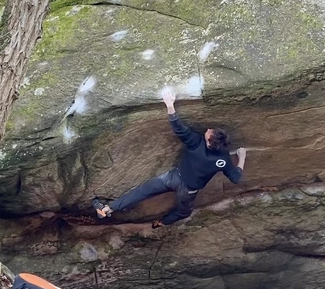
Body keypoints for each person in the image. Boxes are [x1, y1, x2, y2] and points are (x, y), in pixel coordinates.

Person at [92, 90, 247, 227]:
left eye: (210, 132)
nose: (207, 129)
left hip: (173, 177)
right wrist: (242, 158)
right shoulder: (223, 159)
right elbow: (236, 178)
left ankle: (107, 209)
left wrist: (170, 104)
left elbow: (178, 128)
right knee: (183, 212)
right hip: (188, 191)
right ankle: (162, 222)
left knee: (142, 191)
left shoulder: (196, 142)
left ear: (209, 141)